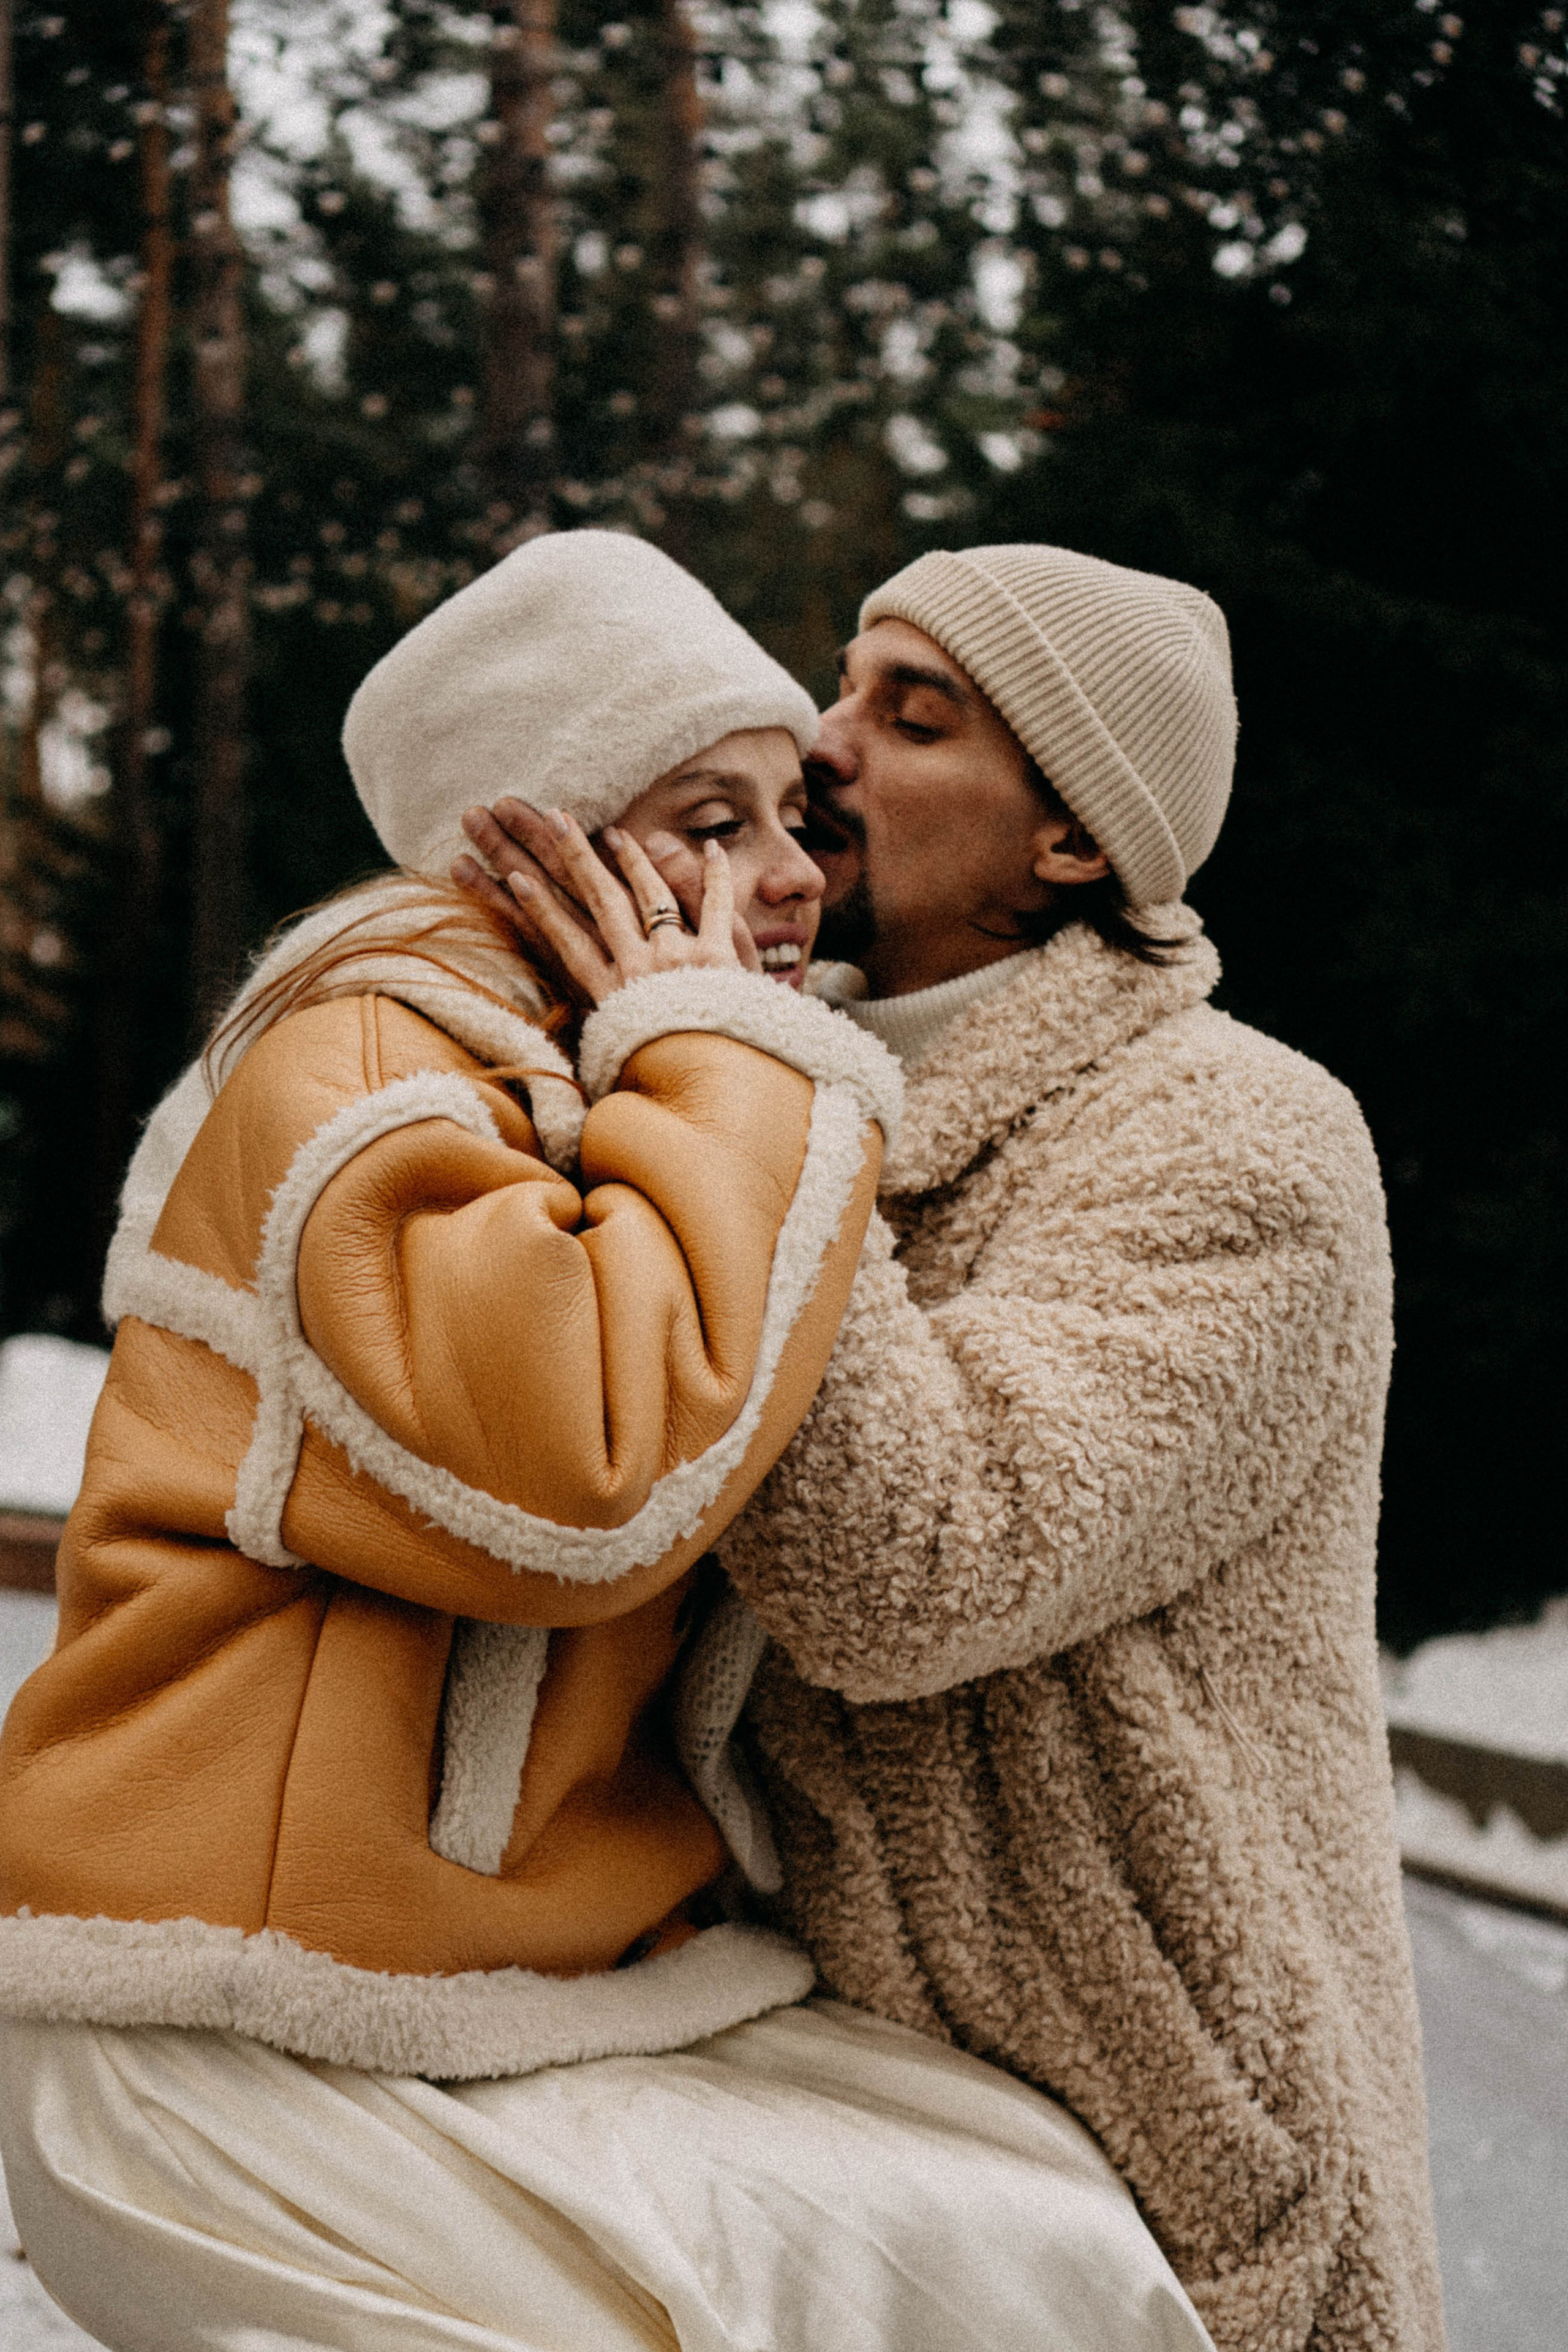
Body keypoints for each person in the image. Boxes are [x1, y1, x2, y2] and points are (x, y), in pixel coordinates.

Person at [0, 532, 1215, 2352]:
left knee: (1040, 2240)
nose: (792, 872)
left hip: (468, 1992)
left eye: (787, 817)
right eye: (710, 822)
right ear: (527, 844)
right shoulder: (374, 1059)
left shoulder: (576, 1068)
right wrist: (724, 1048)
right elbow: (580, 1471)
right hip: (241, 2025)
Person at [466, 542, 1446, 2352]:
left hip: (1141, 2130)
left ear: (1072, 842)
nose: (822, 742)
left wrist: (724, 1072)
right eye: (841, 683)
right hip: (797, 2051)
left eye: (911, 718)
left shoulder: (1246, 1141)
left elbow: (906, 1573)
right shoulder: (752, 1059)